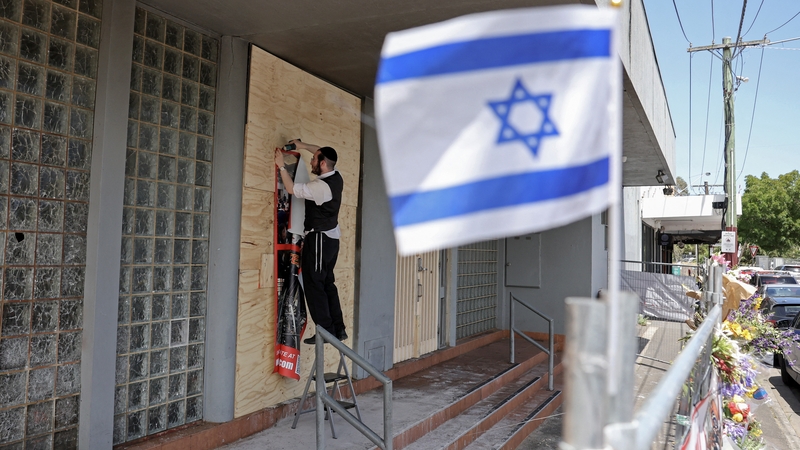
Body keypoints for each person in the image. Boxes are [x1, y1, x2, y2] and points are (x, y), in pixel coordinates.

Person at [275, 139, 346, 344]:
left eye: (315, 159)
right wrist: (303, 145)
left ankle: (325, 331)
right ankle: (337, 329)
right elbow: (321, 151)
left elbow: (290, 188)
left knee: (315, 285)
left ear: (323, 164)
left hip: (319, 240)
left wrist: (281, 165)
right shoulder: (336, 176)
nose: (312, 160)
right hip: (331, 240)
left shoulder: (320, 187)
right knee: (327, 283)